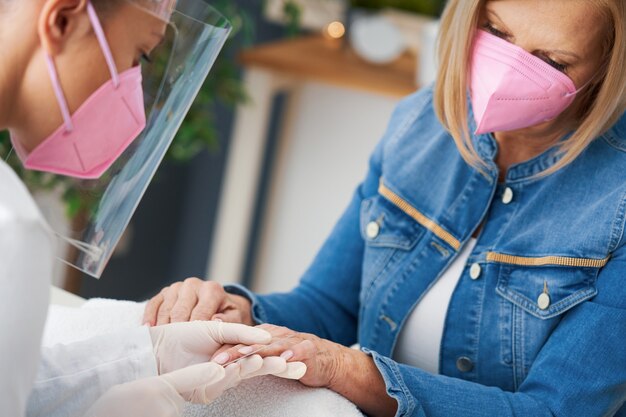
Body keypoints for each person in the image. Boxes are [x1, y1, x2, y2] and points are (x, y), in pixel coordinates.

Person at [144, 0, 626, 416]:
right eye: (497, 32)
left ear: (607, 69)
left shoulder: (616, 204)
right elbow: (328, 306)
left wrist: (355, 372)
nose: (509, 71)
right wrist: (241, 313)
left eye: (554, 61)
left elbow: (554, 411)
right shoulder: (419, 125)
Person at [0, 1, 305, 417]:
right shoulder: (11, 229)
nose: (135, 108)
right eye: (138, 56)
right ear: (62, 19)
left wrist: (149, 357)